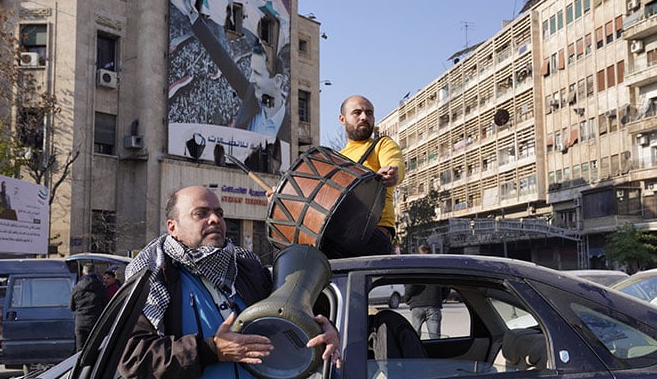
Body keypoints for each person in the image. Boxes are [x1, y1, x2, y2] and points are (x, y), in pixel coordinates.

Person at [119, 186, 341, 378]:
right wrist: (212, 350)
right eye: (201, 213)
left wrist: (327, 331)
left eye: (219, 213)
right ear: (172, 227)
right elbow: (134, 359)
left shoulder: (248, 268)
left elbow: (298, 320)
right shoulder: (155, 278)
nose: (215, 219)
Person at [325, 95, 405, 258]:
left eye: (369, 113)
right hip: (338, 235)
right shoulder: (334, 159)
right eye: (357, 112)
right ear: (342, 119)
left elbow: (395, 163)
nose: (364, 117)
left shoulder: (381, 144)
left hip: (372, 235)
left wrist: (393, 173)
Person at [240, 42, 288, 137]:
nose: (251, 79)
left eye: (257, 73)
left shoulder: (290, 127)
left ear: (278, 81)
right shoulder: (251, 100)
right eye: (252, 72)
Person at [403, 244, 450, 339]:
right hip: (434, 305)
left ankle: (416, 352)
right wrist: (441, 297)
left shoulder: (415, 267)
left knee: (415, 337)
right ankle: (434, 353)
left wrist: (407, 299)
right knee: (435, 337)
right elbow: (446, 285)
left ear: (418, 254)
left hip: (417, 306)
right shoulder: (438, 268)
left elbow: (410, 286)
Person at [69, 263, 107, 351]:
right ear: (95, 272)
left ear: (83, 272)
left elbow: (71, 307)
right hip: (95, 322)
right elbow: (106, 304)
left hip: (80, 322)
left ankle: (81, 364)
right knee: (95, 350)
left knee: (80, 350)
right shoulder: (100, 287)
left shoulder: (77, 288)